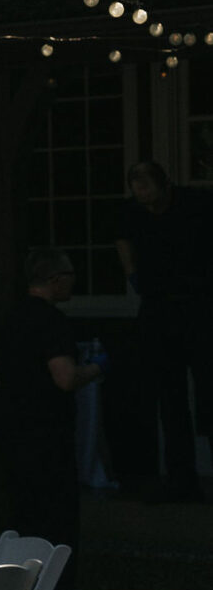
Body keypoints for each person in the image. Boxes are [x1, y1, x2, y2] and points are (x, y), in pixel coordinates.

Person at [0, 248, 102, 590]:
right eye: (70, 275)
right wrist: (96, 369)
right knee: (57, 531)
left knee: (22, 524)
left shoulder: (11, 319)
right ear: (56, 280)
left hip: (13, 438)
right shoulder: (52, 321)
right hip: (48, 440)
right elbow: (64, 377)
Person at [116, 160, 213, 501]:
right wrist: (132, 274)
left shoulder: (195, 204)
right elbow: (123, 238)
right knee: (169, 396)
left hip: (199, 305)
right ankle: (182, 479)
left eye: (147, 189)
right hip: (159, 306)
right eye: (137, 190)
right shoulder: (134, 212)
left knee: (208, 389)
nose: (144, 197)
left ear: (164, 185)